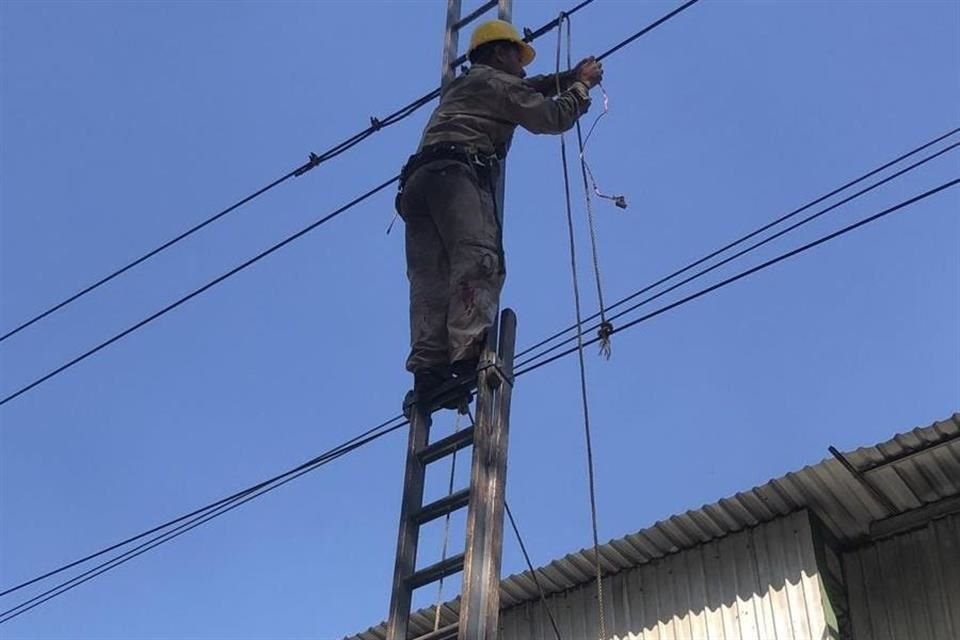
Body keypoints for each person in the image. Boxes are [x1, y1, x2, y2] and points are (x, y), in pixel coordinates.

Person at [396, 19, 604, 407]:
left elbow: (527, 86)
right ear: (498, 54)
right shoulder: (496, 83)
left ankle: (428, 376)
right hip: (457, 176)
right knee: (477, 261)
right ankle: (465, 359)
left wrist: (565, 76)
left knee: (429, 282)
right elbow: (550, 117)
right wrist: (581, 86)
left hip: (418, 185)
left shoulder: (463, 86)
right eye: (517, 58)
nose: (522, 69)